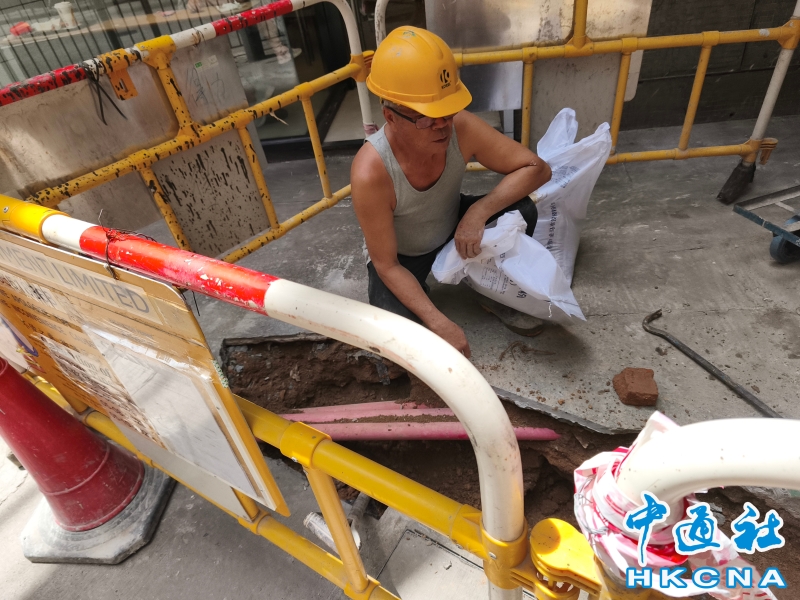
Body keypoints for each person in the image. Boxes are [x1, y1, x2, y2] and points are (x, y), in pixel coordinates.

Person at [351, 27, 552, 358]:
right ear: (390, 117)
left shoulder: (460, 127)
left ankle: (491, 291)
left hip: (453, 224)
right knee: (394, 337)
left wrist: (477, 212)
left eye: (446, 112)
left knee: (522, 209)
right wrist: (438, 322)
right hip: (404, 257)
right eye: (426, 119)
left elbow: (536, 168)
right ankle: (425, 299)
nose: (442, 125)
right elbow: (386, 264)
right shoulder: (371, 171)